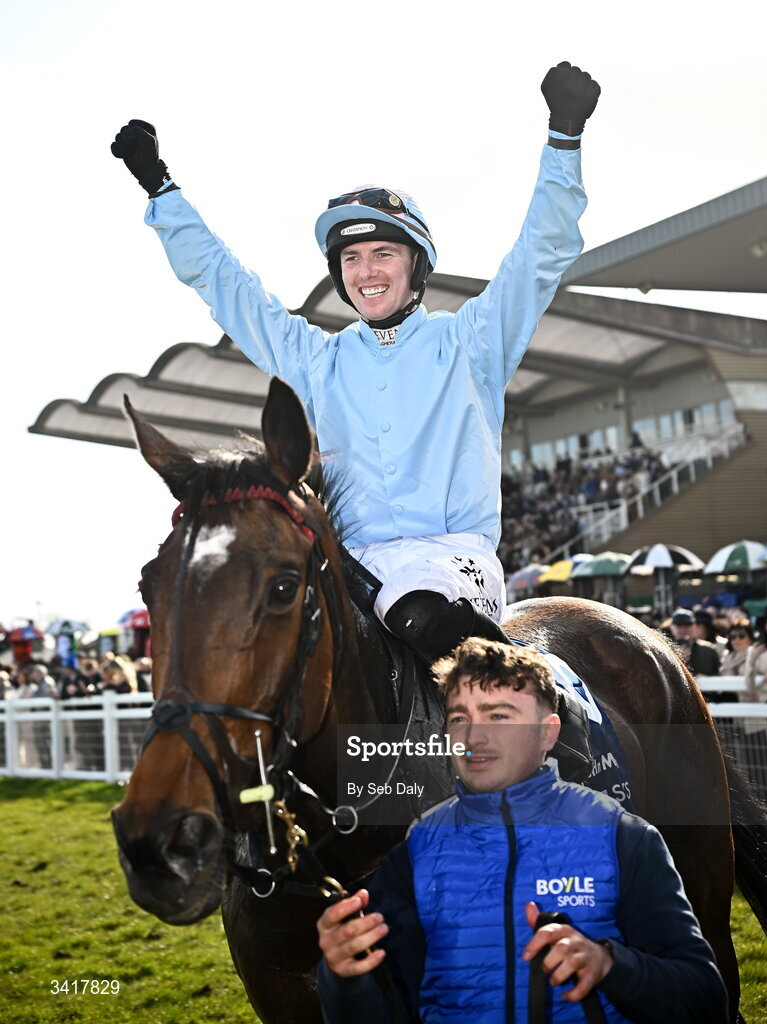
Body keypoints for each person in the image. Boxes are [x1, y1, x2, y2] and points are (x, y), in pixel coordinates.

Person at [111, 62, 599, 659]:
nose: (366, 271)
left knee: (419, 614)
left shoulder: (473, 341)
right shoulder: (318, 359)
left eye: (383, 253)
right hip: (350, 571)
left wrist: (563, 140)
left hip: (450, 566)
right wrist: (162, 190)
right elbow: (226, 286)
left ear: (414, 265)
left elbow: (540, 253)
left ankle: (548, 748)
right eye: (352, 259)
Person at [316, 639, 728, 1024]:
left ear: (548, 732)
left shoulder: (624, 838)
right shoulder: (417, 849)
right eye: (460, 718)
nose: (474, 737)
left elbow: (704, 999)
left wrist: (609, 964)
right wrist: (344, 974)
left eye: (499, 716)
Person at [668, 609, 720, 677]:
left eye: (687, 625)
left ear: (695, 626)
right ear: (672, 628)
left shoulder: (708, 650)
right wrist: (678, 660)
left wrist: (707, 678)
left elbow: (719, 675)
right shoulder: (666, 650)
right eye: (679, 626)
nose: (683, 630)